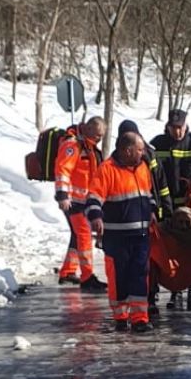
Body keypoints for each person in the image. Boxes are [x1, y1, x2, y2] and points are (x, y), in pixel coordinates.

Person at [87, 132, 157, 333]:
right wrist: (96, 217)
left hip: (141, 234)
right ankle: (120, 316)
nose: (143, 153)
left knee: (140, 275)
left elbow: (147, 194)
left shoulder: (143, 167)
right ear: (127, 150)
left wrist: (151, 210)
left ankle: (140, 319)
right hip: (117, 236)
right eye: (140, 149)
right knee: (119, 277)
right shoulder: (107, 170)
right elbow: (94, 197)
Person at [150, 109, 191, 310]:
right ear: (167, 127)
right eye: (173, 128)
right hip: (166, 209)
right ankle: (171, 292)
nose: (177, 132)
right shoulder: (157, 145)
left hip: (190, 208)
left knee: (190, 252)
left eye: (180, 127)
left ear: (186, 125)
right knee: (166, 252)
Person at [115, 119, 172, 318]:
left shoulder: (148, 154)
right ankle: (140, 299)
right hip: (129, 220)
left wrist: (165, 210)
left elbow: (160, 183)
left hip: (148, 217)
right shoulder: (116, 161)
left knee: (149, 262)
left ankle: (150, 297)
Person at [55, 116, 108, 291]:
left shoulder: (88, 146)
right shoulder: (73, 145)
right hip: (74, 202)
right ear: (88, 129)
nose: (100, 139)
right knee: (84, 236)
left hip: (84, 201)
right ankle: (87, 277)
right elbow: (63, 169)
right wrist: (63, 195)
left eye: (102, 136)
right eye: (98, 135)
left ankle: (68, 272)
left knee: (77, 235)